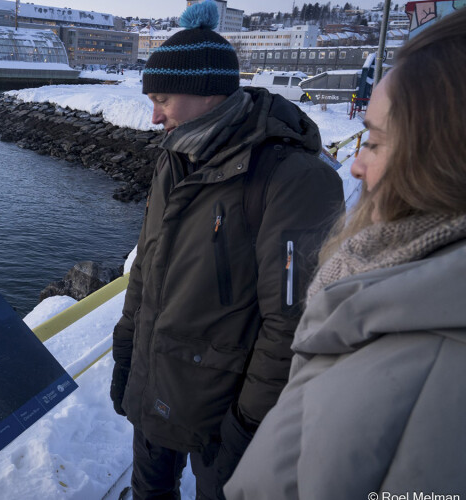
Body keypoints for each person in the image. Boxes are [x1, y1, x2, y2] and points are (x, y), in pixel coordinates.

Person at [224, 8, 466, 500]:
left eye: (374, 142)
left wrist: (246, 417)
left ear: (440, 160)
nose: (354, 165)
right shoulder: (397, 290)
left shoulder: (423, 356)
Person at [109, 1, 345, 499]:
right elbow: (146, 271)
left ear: (208, 93)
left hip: (226, 415)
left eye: (163, 99)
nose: (153, 117)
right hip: (157, 389)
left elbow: (294, 324)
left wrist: (249, 423)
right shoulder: (174, 159)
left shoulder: (292, 179)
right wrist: (127, 359)